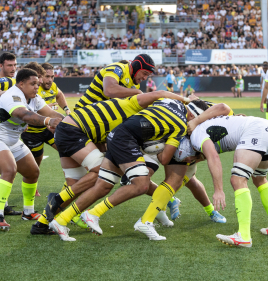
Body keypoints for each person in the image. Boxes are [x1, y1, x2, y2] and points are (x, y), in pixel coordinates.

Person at [47, 93, 194, 241]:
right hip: (126, 140)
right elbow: (165, 159)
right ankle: (92, 214)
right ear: (192, 116)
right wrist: (162, 148)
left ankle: (61, 220)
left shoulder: (165, 102)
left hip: (116, 135)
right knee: (141, 185)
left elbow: (157, 98)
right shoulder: (181, 126)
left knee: (103, 185)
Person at [181, 114, 268, 248]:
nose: (189, 160)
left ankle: (244, 236)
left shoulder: (195, 136)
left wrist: (218, 190)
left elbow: (213, 157)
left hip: (255, 131)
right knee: (260, 179)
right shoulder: (205, 129)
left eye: (185, 157)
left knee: (238, 180)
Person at [0, 68, 63, 230]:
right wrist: (48, 121)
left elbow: (52, 114)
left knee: (32, 172)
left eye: (38, 83)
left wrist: (74, 122)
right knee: (9, 169)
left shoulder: (33, 97)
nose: (37, 86)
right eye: (33, 83)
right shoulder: (12, 96)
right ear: (21, 84)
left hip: (12, 140)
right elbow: (25, 115)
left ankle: (28, 212)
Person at [21, 63, 71, 197]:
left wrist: (66, 110)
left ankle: (71, 184)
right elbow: (25, 110)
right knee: (35, 165)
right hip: (32, 133)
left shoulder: (53, 86)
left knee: (68, 151)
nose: (49, 80)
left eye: (52, 76)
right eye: (46, 76)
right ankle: (32, 185)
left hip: (49, 130)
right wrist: (45, 108)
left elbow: (59, 95)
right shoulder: (30, 90)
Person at [74, 54, 155, 110]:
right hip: (83, 112)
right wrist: (137, 92)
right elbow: (109, 90)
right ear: (136, 67)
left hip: (97, 116)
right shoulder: (118, 68)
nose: (145, 78)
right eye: (145, 73)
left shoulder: (135, 85)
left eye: (148, 75)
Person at [0, 52, 21, 215]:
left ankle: (4, 205)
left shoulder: (14, 83)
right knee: (7, 169)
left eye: (15, 65)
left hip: (8, 132)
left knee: (4, 170)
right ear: (1, 65)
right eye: (9, 65)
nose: (13, 68)